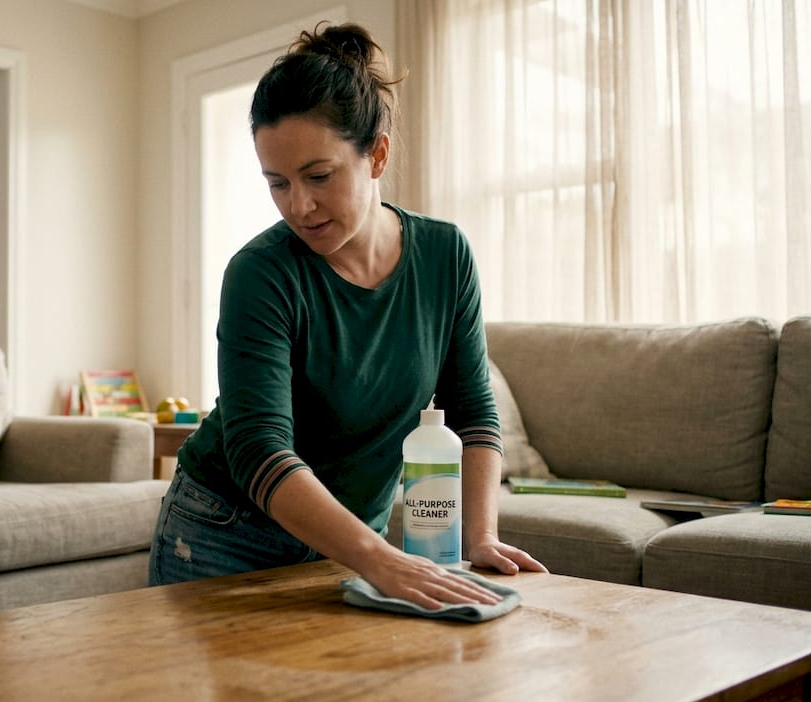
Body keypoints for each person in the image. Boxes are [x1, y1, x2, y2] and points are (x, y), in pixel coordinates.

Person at [148, 22, 546, 608]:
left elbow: (472, 408)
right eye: (277, 183)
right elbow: (259, 449)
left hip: (348, 542)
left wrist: (479, 535)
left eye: (318, 176)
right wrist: (383, 558)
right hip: (222, 533)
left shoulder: (444, 254)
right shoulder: (260, 273)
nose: (298, 206)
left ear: (376, 154)